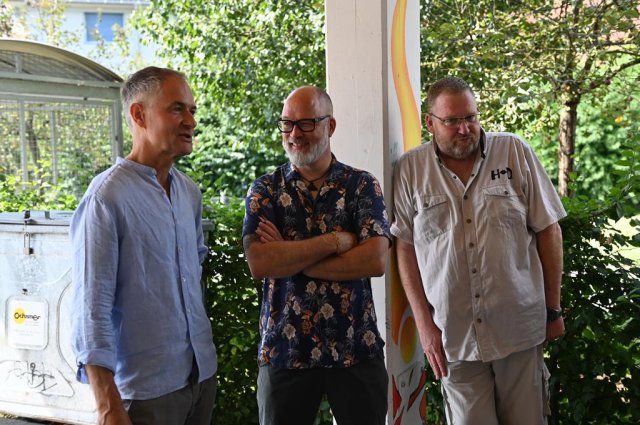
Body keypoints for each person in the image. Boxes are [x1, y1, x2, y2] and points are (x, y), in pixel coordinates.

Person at [391, 76, 566, 425]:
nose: (464, 128)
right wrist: (424, 325)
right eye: (452, 120)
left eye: (470, 117)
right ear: (430, 122)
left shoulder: (513, 152)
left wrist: (553, 308)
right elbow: (405, 248)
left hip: (518, 330)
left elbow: (549, 229)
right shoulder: (411, 169)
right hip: (454, 339)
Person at [70, 66, 217, 425]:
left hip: (200, 378)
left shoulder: (189, 193)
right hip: (144, 393)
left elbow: (192, 276)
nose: (190, 121)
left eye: (192, 110)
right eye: (177, 109)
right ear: (139, 114)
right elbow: (91, 308)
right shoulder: (107, 197)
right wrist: (108, 405)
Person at [242, 86, 391, 425]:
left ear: (330, 126)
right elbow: (261, 262)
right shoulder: (265, 189)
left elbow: (374, 261)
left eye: (306, 123)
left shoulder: (362, 186)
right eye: (287, 123)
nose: (295, 133)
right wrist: (335, 241)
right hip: (285, 350)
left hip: (356, 347)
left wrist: (290, 259)